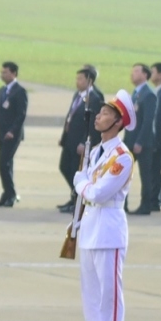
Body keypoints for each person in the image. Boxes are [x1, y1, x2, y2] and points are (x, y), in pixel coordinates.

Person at [67, 90, 134, 321]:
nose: (99, 116)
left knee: (110, 295)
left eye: (106, 113)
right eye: (100, 112)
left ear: (118, 122)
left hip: (109, 229)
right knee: (91, 294)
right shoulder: (96, 151)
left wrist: (79, 182)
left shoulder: (121, 157)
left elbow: (97, 193)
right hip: (91, 227)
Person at [57, 67, 104, 215]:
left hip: (80, 143)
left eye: (80, 79)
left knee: (75, 170)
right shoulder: (77, 96)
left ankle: (78, 200)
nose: (77, 82)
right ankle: (74, 196)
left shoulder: (94, 99)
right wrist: (64, 137)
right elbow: (71, 117)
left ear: (89, 80)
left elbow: (93, 124)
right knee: (65, 167)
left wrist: (85, 142)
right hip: (70, 140)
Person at [0, 61, 27, 208]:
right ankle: (6, 194)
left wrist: (12, 131)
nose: (2, 75)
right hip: (1, 134)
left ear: (14, 74)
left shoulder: (19, 91)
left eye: (5, 72)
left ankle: (11, 194)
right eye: (2, 72)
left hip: (12, 135)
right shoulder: (1, 91)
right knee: (6, 164)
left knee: (3, 163)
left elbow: (21, 114)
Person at [125, 63, 157, 215]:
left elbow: (148, 121)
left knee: (146, 175)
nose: (133, 74)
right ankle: (122, 204)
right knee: (123, 173)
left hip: (142, 143)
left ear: (145, 75)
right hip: (130, 141)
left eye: (136, 71)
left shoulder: (148, 95)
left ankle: (146, 205)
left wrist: (140, 141)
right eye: (133, 71)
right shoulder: (135, 93)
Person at [149, 62, 161, 213]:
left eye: (152, 72)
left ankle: (154, 200)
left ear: (160, 74)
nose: (151, 74)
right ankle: (158, 196)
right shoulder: (158, 91)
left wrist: (156, 141)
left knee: (153, 169)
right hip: (158, 139)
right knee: (154, 169)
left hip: (159, 140)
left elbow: (160, 121)